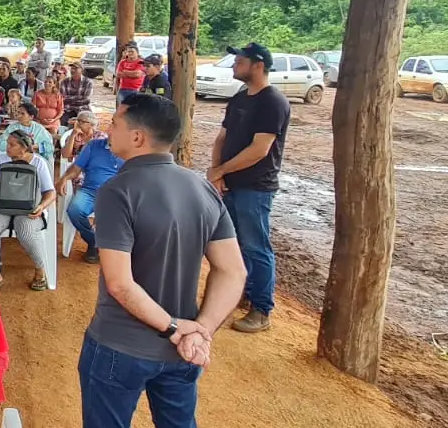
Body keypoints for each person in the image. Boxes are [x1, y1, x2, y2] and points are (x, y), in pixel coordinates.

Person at [80, 92, 246, 428]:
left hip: (120, 346)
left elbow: (120, 285)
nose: (107, 131)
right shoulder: (202, 188)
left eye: (114, 124)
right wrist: (200, 331)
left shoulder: (117, 190)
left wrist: (173, 327)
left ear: (137, 137)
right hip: (182, 352)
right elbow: (233, 270)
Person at [208, 42, 291, 334]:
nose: (234, 66)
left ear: (258, 65)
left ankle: (261, 308)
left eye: (239, 62)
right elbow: (222, 137)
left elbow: (260, 149)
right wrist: (217, 172)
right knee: (234, 243)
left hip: (255, 186)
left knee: (256, 247)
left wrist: (220, 171)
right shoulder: (241, 97)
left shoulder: (273, 102)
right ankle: (239, 292)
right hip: (230, 182)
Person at [0, 131, 57, 292]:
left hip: (28, 209)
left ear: (24, 148)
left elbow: (50, 192)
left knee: (25, 230)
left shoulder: (38, 163)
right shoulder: (2, 160)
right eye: (7, 143)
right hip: (3, 206)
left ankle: (40, 268)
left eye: (11, 145)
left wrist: (41, 207)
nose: (7, 147)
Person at [58, 112, 125, 264]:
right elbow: (76, 168)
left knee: (125, 215)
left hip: (116, 194)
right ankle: (94, 242)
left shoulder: (129, 152)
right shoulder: (94, 145)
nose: (111, 130)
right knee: (74, 210)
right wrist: (64, 178)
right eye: (111, 126)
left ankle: (117, 251)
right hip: (90, 190)